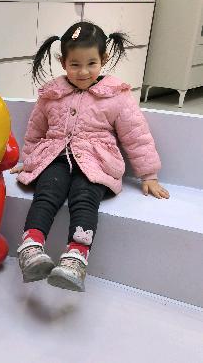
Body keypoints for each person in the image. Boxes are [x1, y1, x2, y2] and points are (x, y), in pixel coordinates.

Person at [10, 21, 169, 292]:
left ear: (103, 59)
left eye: (91, 63)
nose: (83, 72)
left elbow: (136, 135)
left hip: (96, 162)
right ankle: (31, 247)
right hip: (55, 157)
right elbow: (36, 130)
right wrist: (29, 160)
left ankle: (76, 258)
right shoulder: (51, 94)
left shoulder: (116, 96)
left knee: (84, 198)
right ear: (63, 62)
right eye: (75, 64)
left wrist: (148, 174)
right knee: (47, 192)